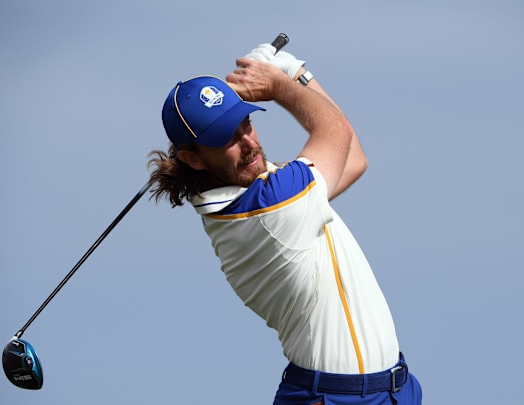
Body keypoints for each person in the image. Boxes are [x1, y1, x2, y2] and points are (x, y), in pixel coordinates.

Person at [148, 42, 422, 404]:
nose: (248, 142)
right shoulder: (269, 207)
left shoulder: (266, 190)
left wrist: (294, 74)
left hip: (394, 390)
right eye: (226, 138)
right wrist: (281, 83)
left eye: (245, 122)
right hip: (332, 397)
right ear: (192, 159)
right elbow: (336, 132)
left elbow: (352, 157)